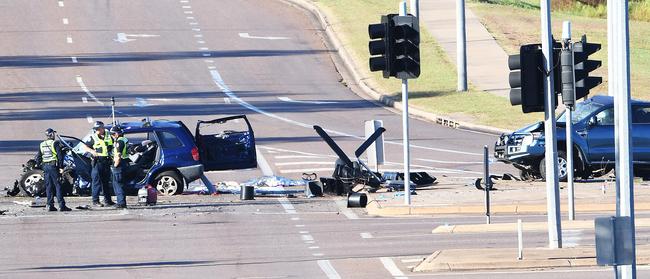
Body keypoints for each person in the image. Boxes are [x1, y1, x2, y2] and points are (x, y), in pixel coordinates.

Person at [35, 128, 71, 212]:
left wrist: (41, 166)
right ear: (52, 135)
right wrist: (61, 168)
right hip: (53, 167)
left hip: (46, 167)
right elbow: (60, 157)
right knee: (58, 186)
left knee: (49, 186)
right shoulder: (55, 143)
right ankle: (62, 205)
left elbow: (38, 157)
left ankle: (49, 205)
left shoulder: (42, 144)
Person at [81, 121, 115, 207]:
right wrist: (92, 151)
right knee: (96, 182)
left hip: (106, 161)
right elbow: (84, 146)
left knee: (106, 182)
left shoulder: (109, 135)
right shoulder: (93, 137)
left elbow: (114, 144)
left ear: (102, 128)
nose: (97, 131)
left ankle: (108, 201)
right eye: (96, 129)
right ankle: (95, 201)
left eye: (98, 129)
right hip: (97, 161)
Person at [110, 126, 129, 209]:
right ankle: (121, 202)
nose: (112, 136)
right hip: (124, 163)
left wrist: (115, 165)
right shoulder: (124, 140)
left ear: (116, 134)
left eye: (113, 134)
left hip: (119, 165)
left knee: (118, 184)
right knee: (119, 183)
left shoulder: (119, 142)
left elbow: (118, 155)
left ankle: (121, 203)